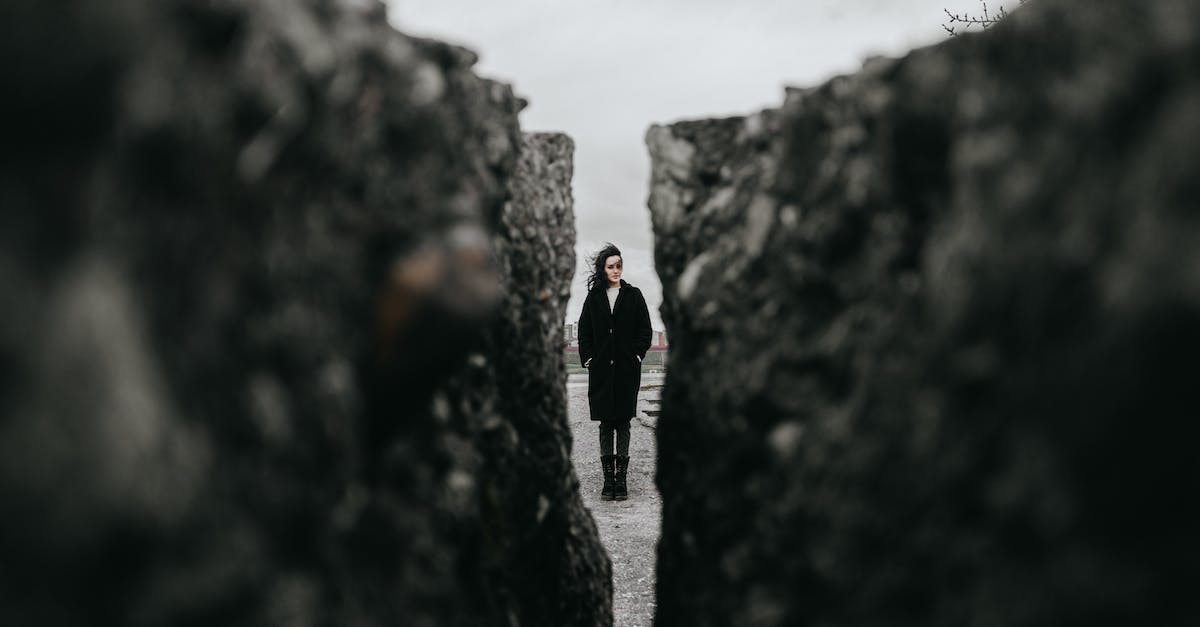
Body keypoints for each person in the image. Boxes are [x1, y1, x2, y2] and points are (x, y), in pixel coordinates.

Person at [577, 243, 652, 501]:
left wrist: (637, 354)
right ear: (603, 269)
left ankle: (621, 481)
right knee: (606, 423)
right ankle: (608, 481)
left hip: (626, 370)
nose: (616, 270)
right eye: (611, 266)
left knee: (623, 421)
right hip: (601, 370)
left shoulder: (634, 295)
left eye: (619, 265)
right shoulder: (594, 297)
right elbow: (584, 331)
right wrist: (589, 358)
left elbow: (645, 330)